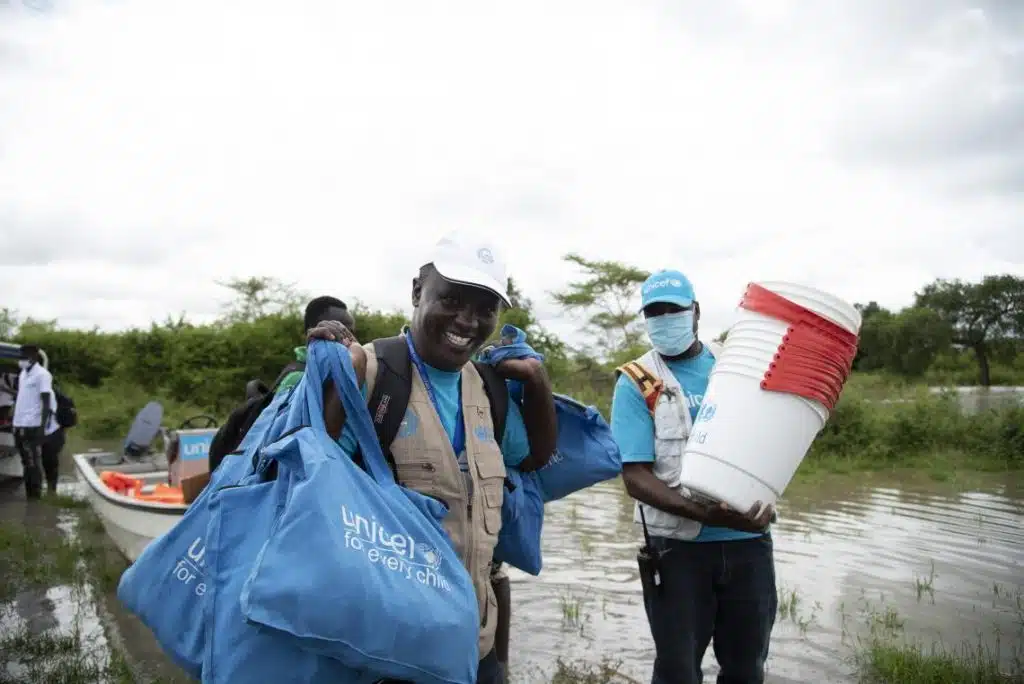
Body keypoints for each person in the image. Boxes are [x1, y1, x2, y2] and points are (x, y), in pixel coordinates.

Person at [308, 232, 558, 684]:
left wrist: (538, 382)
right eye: (452, 299)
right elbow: (313, 489)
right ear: (417, 292)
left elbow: (535, 458)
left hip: (475, 641)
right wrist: (335, 380)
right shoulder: (368, 373)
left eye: (485, 308)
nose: (468, 320)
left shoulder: (490, 389)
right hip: (390, 650)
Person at [611, 269, 777, 684]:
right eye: (655, 312)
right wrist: (707, 515)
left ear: (696, 312)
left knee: (747, 668)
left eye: (674, 310)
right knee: (677, 670)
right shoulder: (637, 381)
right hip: (677, 551)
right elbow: (635, 476)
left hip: (749, 546)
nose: (665, 319)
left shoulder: (736, 365)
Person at [274, 296, 357, 395]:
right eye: (340, 331)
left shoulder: (347, 368)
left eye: (351, 332)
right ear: (315, 332)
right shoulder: (296, 379)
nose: (351, 339)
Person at [12, 344, 62, 499]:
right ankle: (31, 496)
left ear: (33, 357)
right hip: (20, 423)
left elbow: (45, 401)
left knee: (33, 463)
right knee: (26, 462)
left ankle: (35, 499)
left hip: (33, 425)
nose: (20, 360)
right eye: (19, 357)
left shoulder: (42, 375)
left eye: (23, 357)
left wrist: (42, 426)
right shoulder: (23, 374)